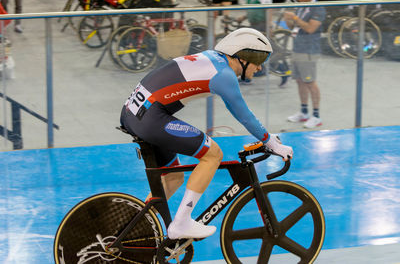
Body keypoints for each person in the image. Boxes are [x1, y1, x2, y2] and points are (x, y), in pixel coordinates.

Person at [120, 28, 293, 240]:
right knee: (212, 154)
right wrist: (272, 143)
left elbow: (234, 108)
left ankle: (134, 229)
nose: (259, 67)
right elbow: (244, 115)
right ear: (242, 56)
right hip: (150, 117)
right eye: (258, 59)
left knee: (173, 177)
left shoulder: (214, 59)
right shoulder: (224, 75)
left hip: (135, 112)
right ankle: (181, 224)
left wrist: (267, 139)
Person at [284, 0, 325, 128]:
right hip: (297, 48)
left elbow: (310, 28)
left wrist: (295, 18)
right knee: (299, 80)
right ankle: (304, 112)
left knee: (310, 82)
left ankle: (317, 116)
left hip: (309, 51)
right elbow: (295, 26)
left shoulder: (318, 8)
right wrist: (288, 20)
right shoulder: (301, 6)